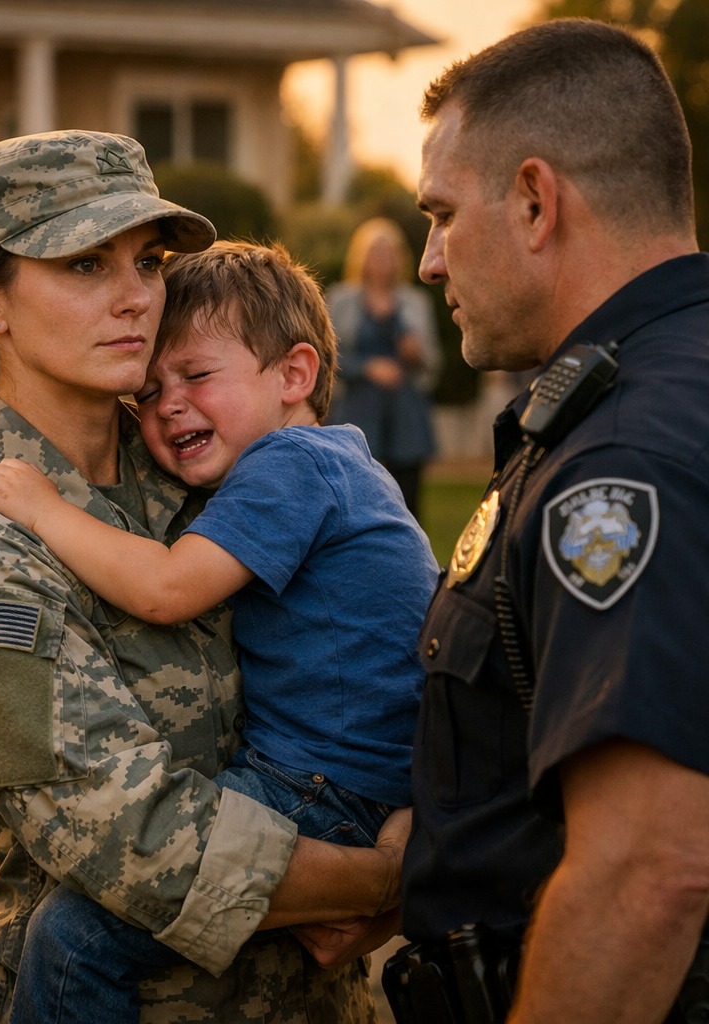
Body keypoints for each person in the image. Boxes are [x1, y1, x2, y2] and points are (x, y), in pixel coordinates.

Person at [0, 129, 411, 1024]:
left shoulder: (203, 460)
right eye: (85, 264)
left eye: (147, 261)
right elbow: (140, 846)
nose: (137, 296)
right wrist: (392, 877)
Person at [348, 18, 709, 1024]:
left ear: (536, 202)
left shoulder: (624, 458)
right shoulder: (670, 385)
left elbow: (648, 869)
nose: (429, 262)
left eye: (441, 214)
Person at [327, 216, 443, 518]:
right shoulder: (341, 300)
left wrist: (415, 354)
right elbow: (327, 358)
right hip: (358, 413)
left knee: (408, 501)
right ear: (361, 256)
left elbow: (433, 363)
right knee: (357, 500)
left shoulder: (416, 301)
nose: (382, 259)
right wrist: (367, 367)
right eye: (375, 252)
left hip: (405, 413)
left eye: (389, 252)